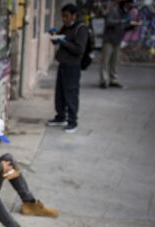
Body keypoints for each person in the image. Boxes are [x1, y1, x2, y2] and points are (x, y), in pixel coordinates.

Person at [46, 4, 89, 134]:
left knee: (71, 93)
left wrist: (64, 42)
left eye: (66, 16)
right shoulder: (66, 27)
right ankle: (60, 117)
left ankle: (72, 121)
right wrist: (55, 35)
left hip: (73, 66)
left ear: (74, 16)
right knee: (60, 93)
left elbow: (79, 49)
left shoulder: (81, 29)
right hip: (63, 64)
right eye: (63, 16)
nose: (64, 19)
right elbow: (57, 40)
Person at [100, 0, 140, 88]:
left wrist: (131, 26)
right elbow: (108, 22)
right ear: (124, 4)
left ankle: (113, 80)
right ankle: (104, 80)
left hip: (117, 40)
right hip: (109, 40)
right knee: (105, 61)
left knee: (114, 62)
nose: (130, 8)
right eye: (129, 5)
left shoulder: (126, 14)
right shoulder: (113, 10)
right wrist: (121, 21)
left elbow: (124, 27)